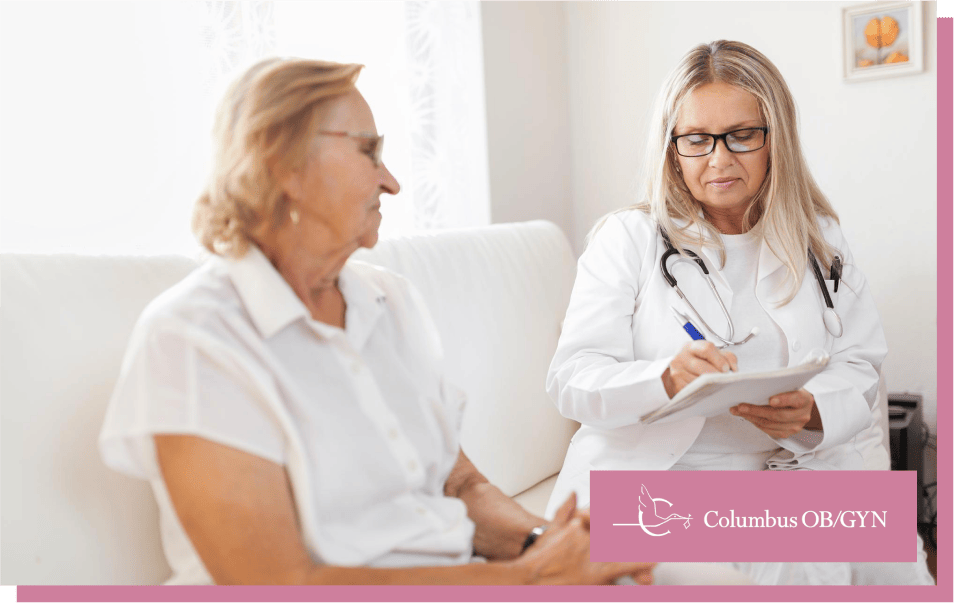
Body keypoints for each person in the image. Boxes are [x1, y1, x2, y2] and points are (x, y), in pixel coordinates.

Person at [98, 57, 654, 586]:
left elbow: (458, 484)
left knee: (699, 561)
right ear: (280, 162)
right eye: (369, 151)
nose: (391, 181)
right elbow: (275, 582)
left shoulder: (389, 301)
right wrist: (527, 578)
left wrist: (550, 546)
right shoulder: (194, 339)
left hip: (484, 575)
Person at [544, 40, 932, 585]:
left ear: (776, 139)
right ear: (671, 148)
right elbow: (571, 380)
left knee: (900, 564)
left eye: (742, 135)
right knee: (797, 562)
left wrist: (812, 410)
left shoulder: (817, 236)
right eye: (697, 140)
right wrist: (664, 378)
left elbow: (859, 362)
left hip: (790, 471)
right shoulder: (627, 239)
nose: (719, 159)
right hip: (657, 488)